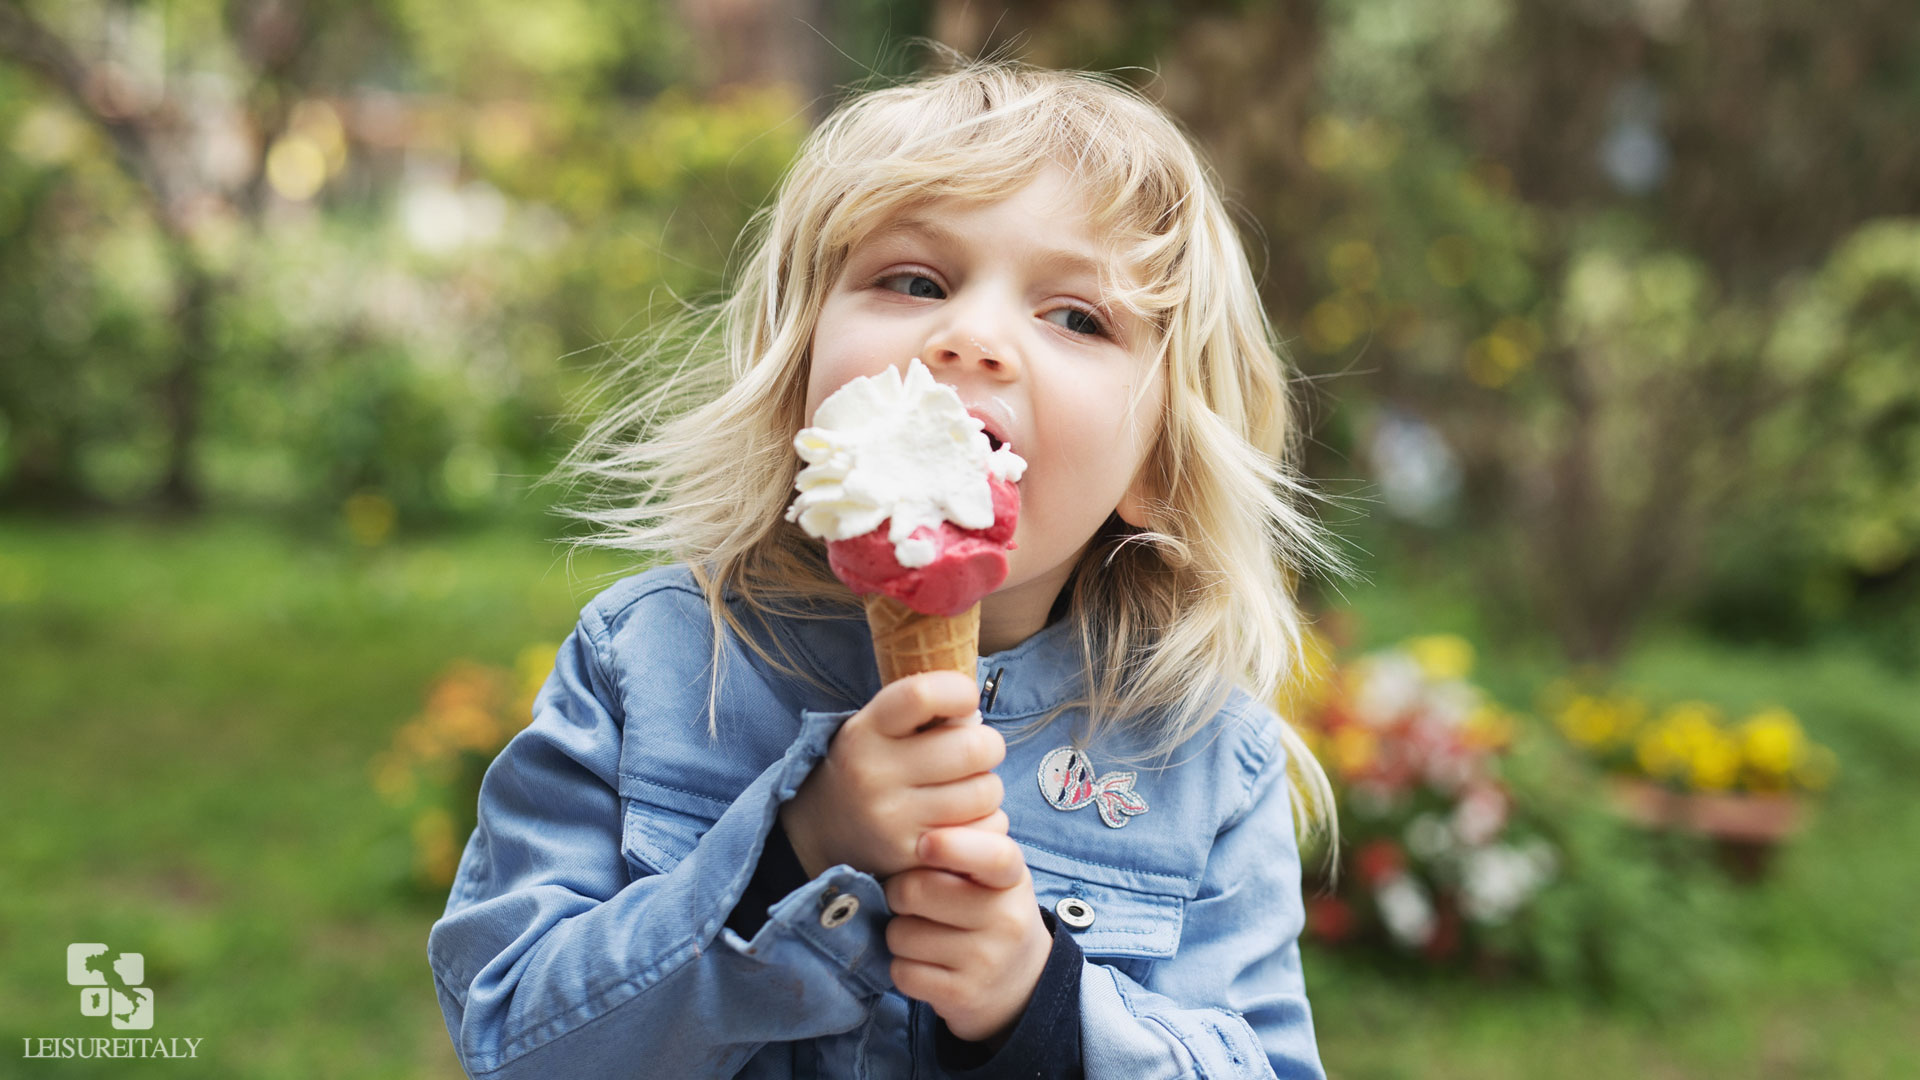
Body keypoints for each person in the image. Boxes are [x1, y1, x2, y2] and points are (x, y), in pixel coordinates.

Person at [427, 54, 1341, 1080]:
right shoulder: (648, 663)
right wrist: (792, 853)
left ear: (1158, 465)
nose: (974, 337)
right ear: (800, 378)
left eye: (1077, 316)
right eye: (916, 280)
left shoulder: (1208, 761)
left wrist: (1039, 1009)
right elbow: (513, 1040)